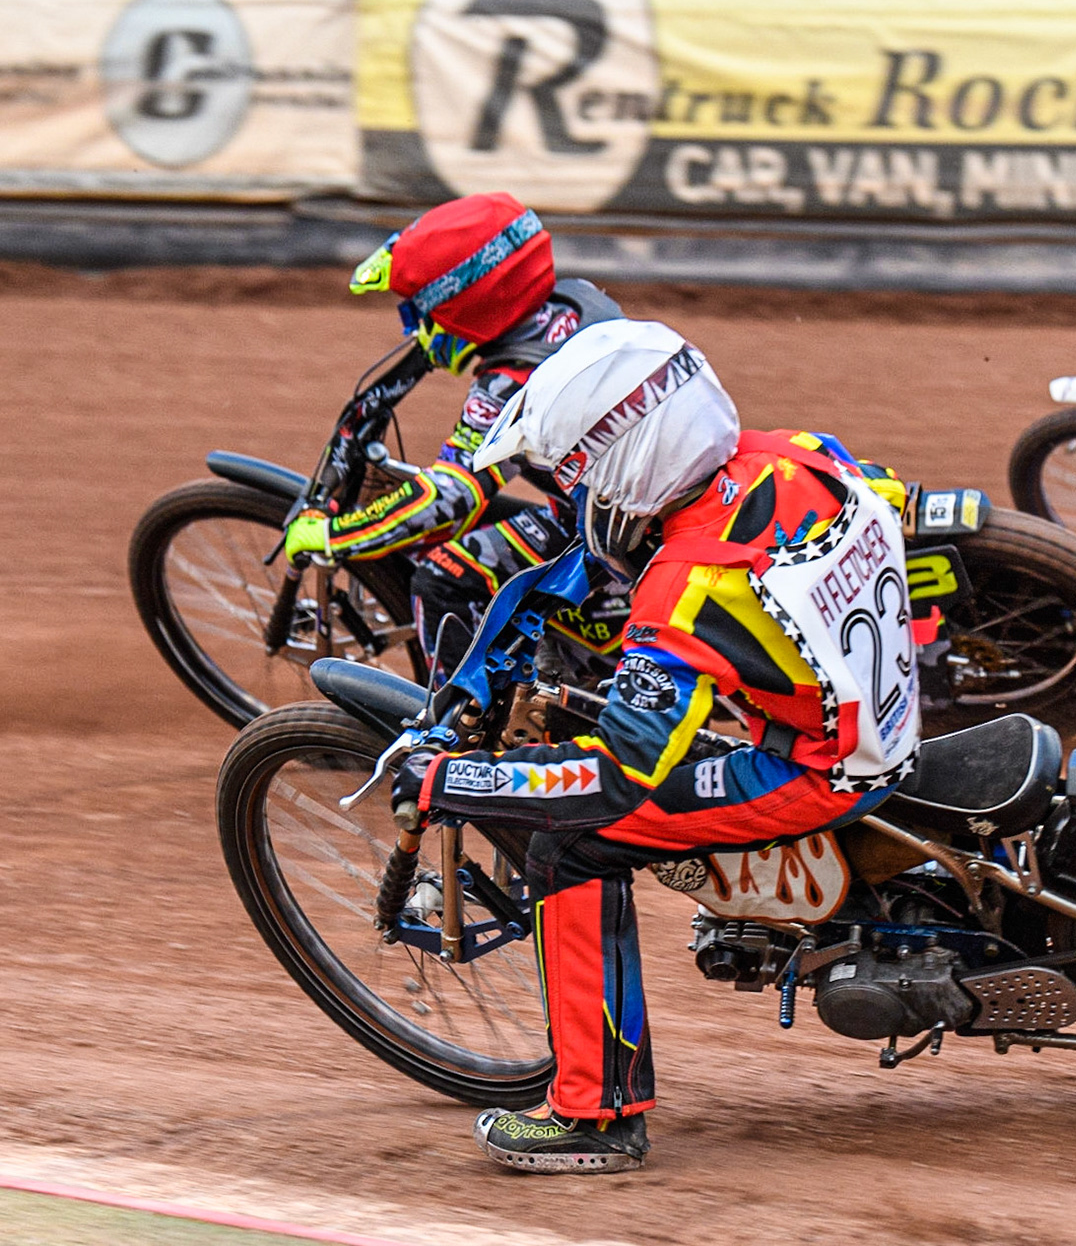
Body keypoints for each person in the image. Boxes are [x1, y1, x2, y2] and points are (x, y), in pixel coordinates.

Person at [390, 319, 919, 1174]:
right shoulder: (798, 454)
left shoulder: (682, 588)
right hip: (883, 701)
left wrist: (462, 780)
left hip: (820, 767)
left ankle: (594, 1117)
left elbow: (620, 774)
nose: (581, 498)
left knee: (570, 846)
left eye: (583, 476)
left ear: (633, 459)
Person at [282, 191, 625, 670]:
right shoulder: (573, 304)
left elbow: (451, 495)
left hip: (614, 543)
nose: (417, 328)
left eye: (419, 311)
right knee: (490, 529)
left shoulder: (511, 382)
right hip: (622, 511)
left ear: (466, 304)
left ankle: (459, 734)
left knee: (441, 579)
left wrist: (335, 537)